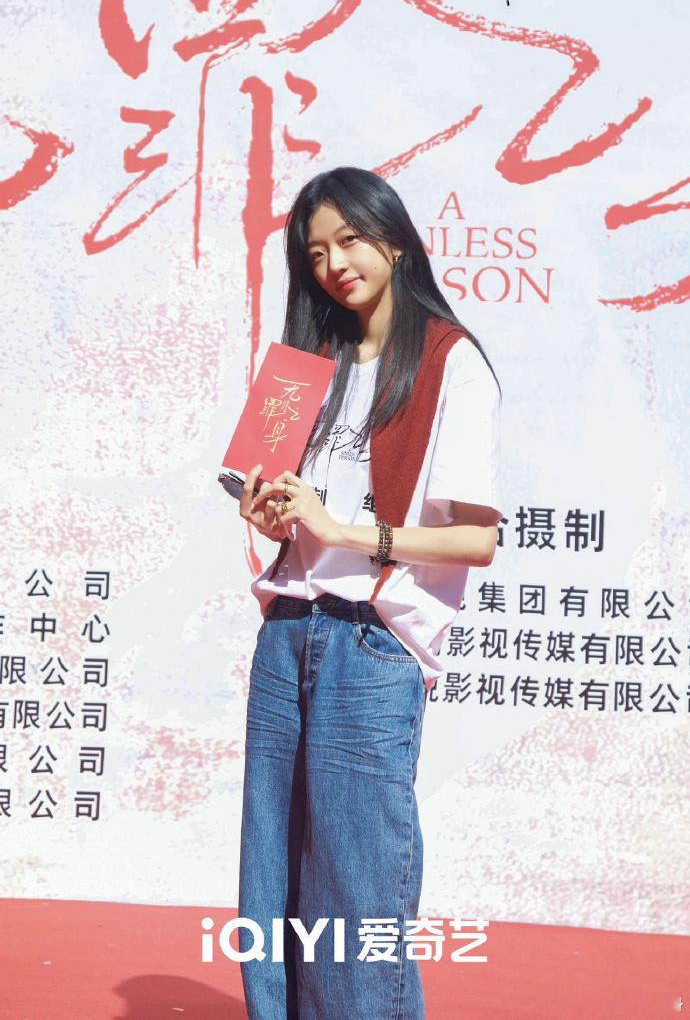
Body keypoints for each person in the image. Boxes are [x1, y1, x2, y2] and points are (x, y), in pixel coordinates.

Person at [236, 166, 502, 1020]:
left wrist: (349, 532)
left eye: (349, 240)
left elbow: (478, 539)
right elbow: (298, 516)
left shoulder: (450, 362)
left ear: (394, 240)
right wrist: (273, 514)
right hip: (287, 633)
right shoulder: (307, 366)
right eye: (316, 252)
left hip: (370, 646)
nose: (334, 265)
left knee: (357, 898)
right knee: (271, 885)